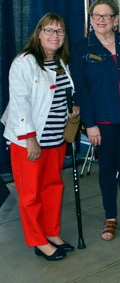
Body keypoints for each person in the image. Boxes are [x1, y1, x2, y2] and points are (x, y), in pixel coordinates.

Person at [1, 13, 78, 261]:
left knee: (53, 188)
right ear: (39, 32)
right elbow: (20, 102)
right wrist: (30, 138)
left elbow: (59, 95)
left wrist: (71, 108)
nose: (55, 35)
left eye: (60, 31)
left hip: (55, 139)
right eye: (49, 30)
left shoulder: (59, 61)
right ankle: (38, 241)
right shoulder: (24, 62)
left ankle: (52, 233)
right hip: (29, 140)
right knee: (31, 193)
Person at [71, 0, 120, 241]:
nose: (101, 20)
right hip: (101, 121)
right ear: (90, 20)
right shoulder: (82, 49)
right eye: (96, 16)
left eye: (107, 15)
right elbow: (81, 90)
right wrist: (89, 124)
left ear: (116, 19)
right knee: (106, 168)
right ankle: (110, 217)